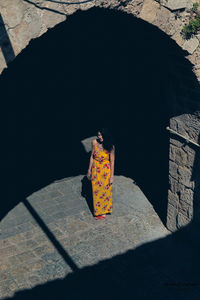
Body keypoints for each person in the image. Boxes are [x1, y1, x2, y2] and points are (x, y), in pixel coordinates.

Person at [87, 128, 115, 220]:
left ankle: (103, 211)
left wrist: (111, 176)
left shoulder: (110, 146)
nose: (100, 137)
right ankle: (98, 211)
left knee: (105, 190)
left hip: (105, 170)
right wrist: (89, 170)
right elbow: (91, 156)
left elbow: (112, 162)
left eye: (102, 135)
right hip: (96, 169)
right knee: (96, 190)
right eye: (98, 135)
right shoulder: (94, 142)